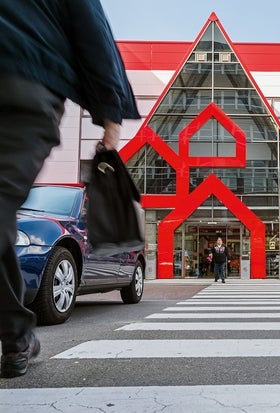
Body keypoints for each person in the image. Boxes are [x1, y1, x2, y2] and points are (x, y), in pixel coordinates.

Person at [0, 0, 140, 378]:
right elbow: (93, 32)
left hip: (21, 90)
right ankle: (16, 335)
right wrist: (111, 114)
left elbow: (92, 29)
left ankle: (15, 335)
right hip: (27, 88)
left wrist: (110, 114)